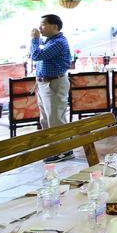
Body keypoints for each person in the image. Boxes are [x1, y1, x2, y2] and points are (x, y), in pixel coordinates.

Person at [30, 14, 73, 162]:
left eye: (43, 24)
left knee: (56, 118)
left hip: (54, 83)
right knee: (46, 119)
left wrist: (34, 39)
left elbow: (36, 55)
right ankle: (53, 148)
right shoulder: (51, 41)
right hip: (44, 84)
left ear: (55, 26)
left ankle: (64, 151)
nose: (40, 28)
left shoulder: (59, 43)